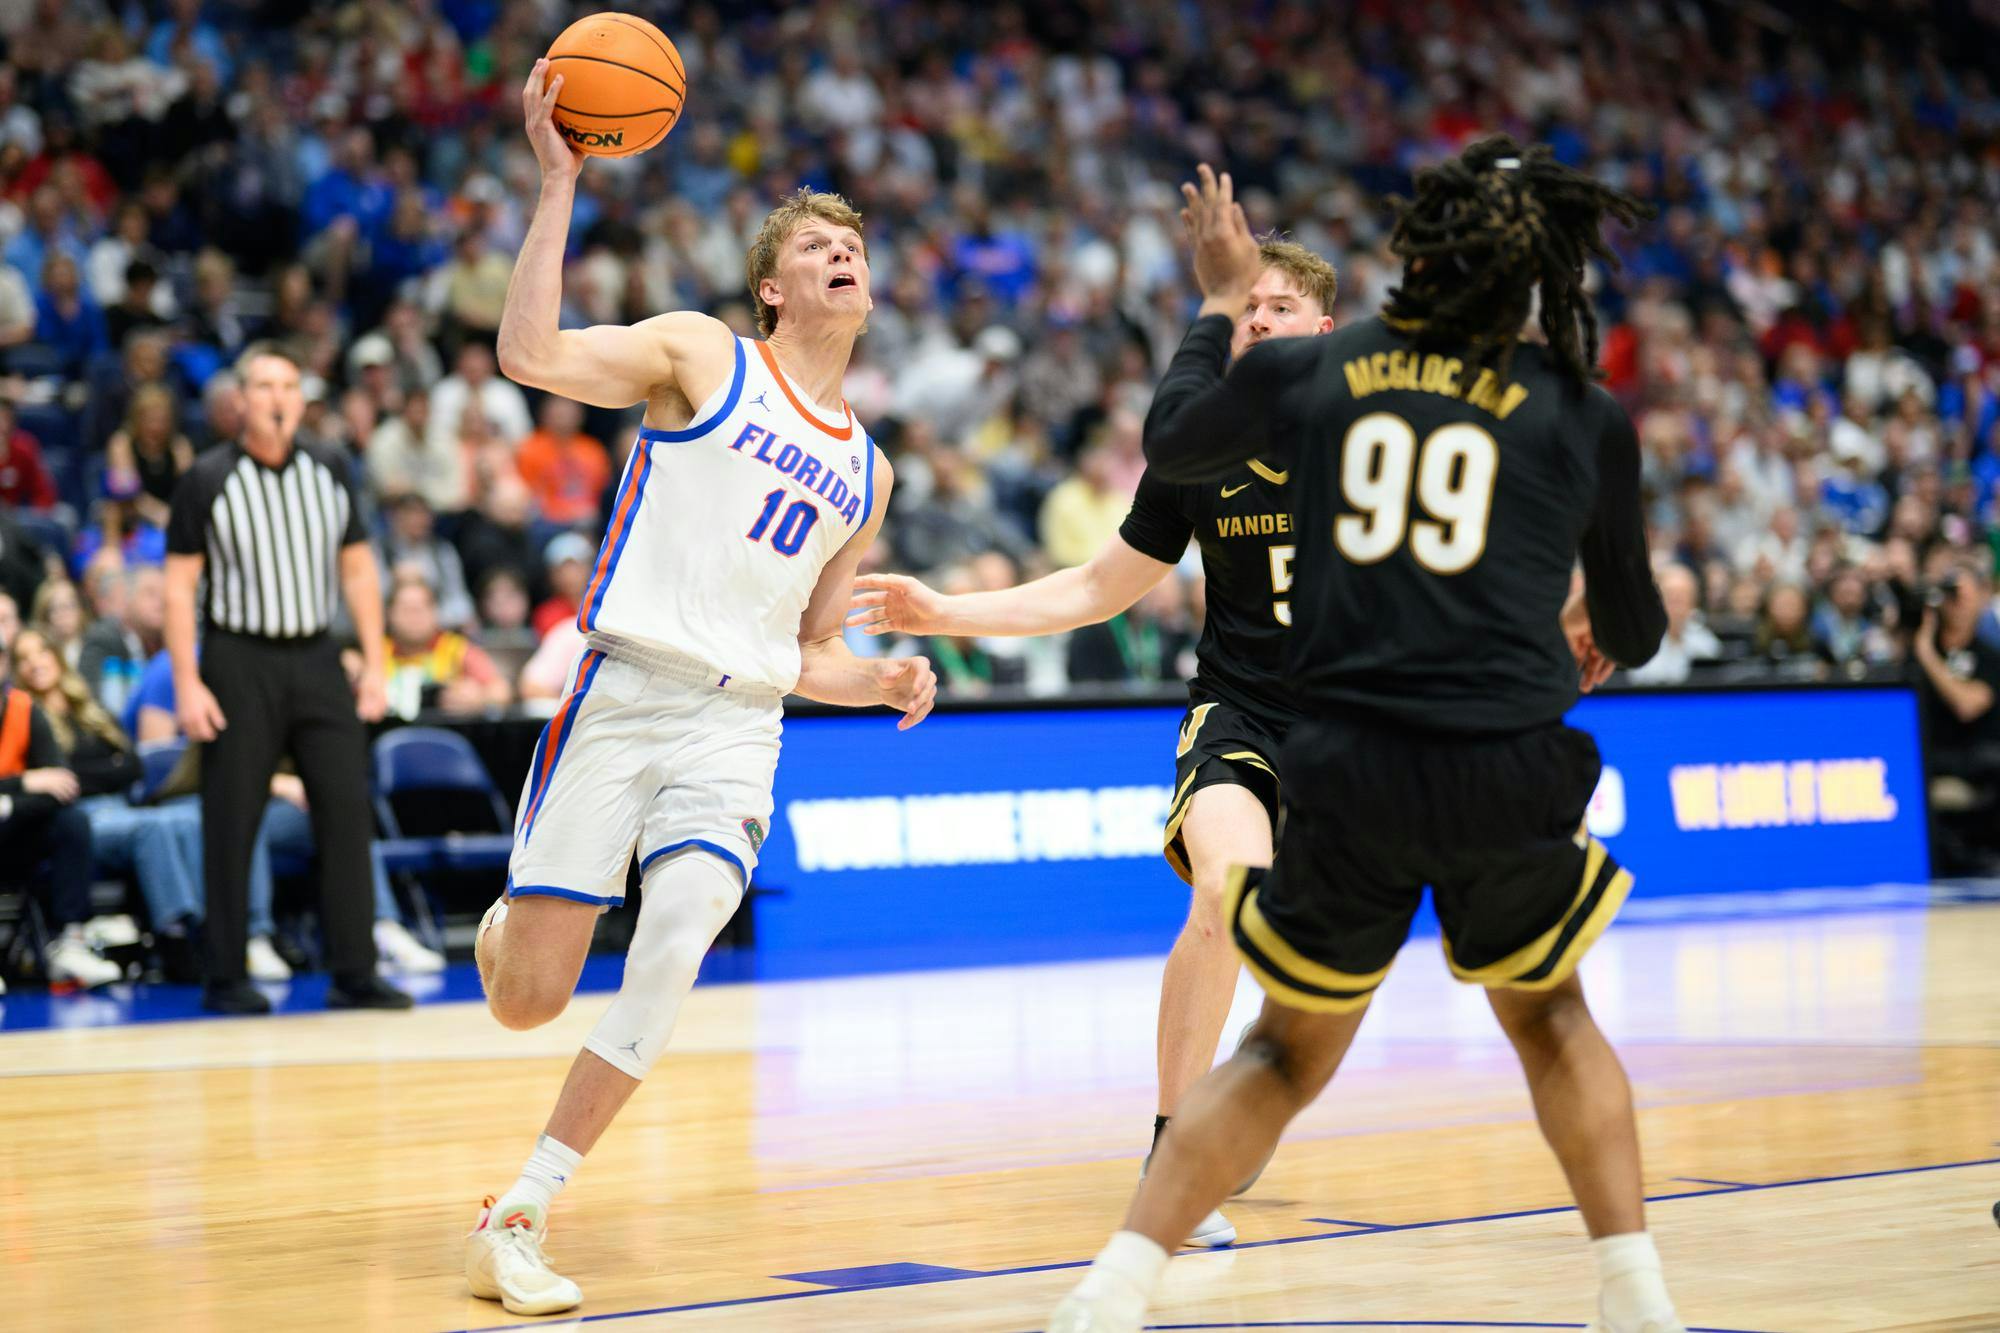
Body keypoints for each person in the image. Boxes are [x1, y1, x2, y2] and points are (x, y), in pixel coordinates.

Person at [1051, 145, 1675, 1333]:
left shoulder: (1329, 369)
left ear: (1417, 256)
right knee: (1551, 1018)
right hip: (1499, 749)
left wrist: (1220, 298)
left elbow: (1176, 440)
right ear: (1539, 278)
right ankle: (1635, 1297)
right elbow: (1633, 629)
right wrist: (1591, 628)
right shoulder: (1581, 412)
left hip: (1348, 762)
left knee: (1284, 1053)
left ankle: (1111, 1291)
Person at [461, 62, 939, 1317]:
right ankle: (507, 927)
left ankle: (521, 1208)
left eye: (856, 245)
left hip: (738, 727)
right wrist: (559, 185)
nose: (846, 257)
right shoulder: (700, 355)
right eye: (819, 246)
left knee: (674, 947)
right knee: (527, 1000)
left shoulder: (868, 472)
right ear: (773, 285)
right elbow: (527, 351)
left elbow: (806, 648)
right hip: (620, 697)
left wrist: (876, 678)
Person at [852, 238, 1344, 1247]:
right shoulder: (1200, 448)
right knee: (1221, 890)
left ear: (1323, 332)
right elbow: (1093, 587)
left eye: (1279, 307)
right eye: (1244, 306)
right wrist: (945, 611)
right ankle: (1176, 1150)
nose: (1255, 319)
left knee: (1312, 974)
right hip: (1240, 717)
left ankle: (1249, 1089)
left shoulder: (1380, 434)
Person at [163, 345, 413, 1016]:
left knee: (344, 806)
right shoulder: (207, 478)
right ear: (240, 400)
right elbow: (180, 588)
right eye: (263, 384)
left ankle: (355, 970)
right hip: (238, 658)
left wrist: (374, 664)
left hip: (316, 655)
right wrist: (188, 681)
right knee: (232, 813)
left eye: (287, 385)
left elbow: (359, 569)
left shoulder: (331, 466)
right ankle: (225, 974)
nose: (276, 396)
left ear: (303, 400)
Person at [9, 626, 209, 982]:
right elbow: (63, 781)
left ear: (56, 656)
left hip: (120, 807)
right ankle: (175, 940)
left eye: (41, 652)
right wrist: (108, 770)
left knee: (189, 821)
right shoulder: (26, 715)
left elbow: (133, 765)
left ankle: (210, 929)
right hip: (83, 817)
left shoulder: (88, 707)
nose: (35, 663)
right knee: (154, 828)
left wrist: (97, 772)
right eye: (23, 659)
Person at [0, 666, 119, 988]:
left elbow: (62, 787)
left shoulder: (25, 709)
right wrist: (24, 781)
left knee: (71, 821)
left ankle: (70, 941)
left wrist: (9, 804)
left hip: (14, 834)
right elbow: (40, 783)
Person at [383, 576, 512, 717]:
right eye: (406, 609)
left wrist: (480, 698)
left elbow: (502, 690)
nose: (414, 617)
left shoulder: (457, 649)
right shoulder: (376, 653)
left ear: (435, 612)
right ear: (389, 614)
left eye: (420, 609)